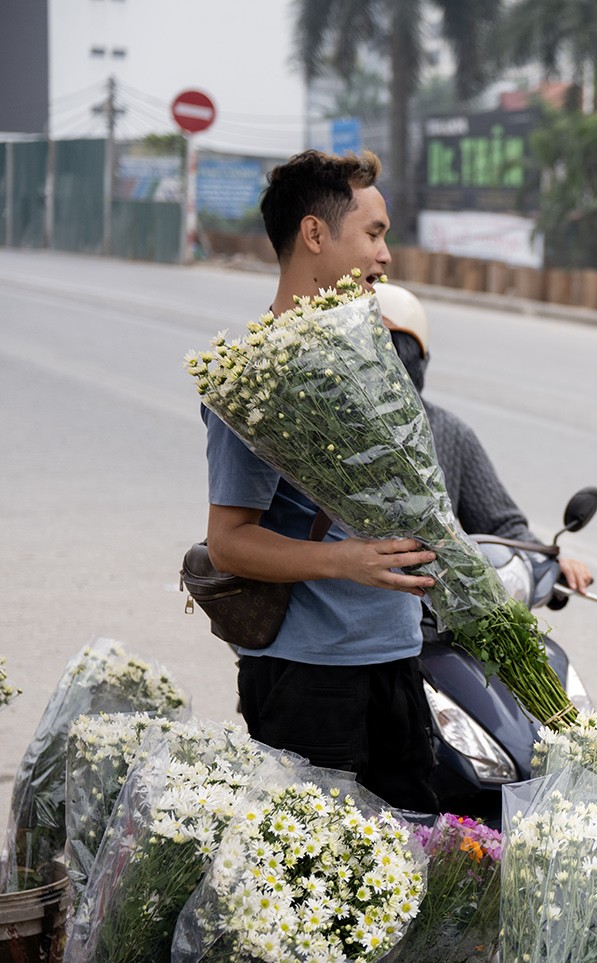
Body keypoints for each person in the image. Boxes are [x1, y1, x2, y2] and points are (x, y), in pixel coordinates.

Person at [200, 150, 440, 813]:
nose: (385, 254)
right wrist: (347, 561)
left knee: (409, 863)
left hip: (395, 656)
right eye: (373, 232)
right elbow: (229, 541)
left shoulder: (371, 352)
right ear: (315, 234)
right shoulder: (252, 376)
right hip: (309, 678)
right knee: (315, 891)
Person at [376, 281, 593, 594]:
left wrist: (548, 559)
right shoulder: (317, 430)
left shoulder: (449, 433)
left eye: (399, 357)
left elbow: (500, 525)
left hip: (436, 617)